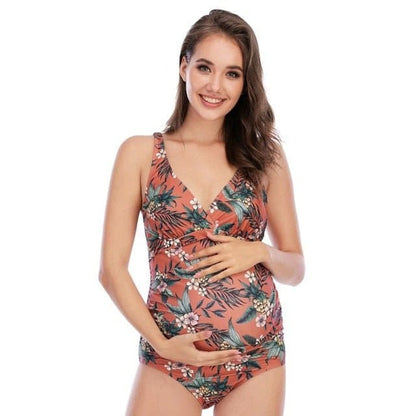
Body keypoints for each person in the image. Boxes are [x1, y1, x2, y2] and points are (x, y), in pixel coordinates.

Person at [99, 9, 304, 416]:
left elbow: (296, 268)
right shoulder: (140, 154)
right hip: (170, 355)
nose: (215, 86)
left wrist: (260, 252)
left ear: (245, 82)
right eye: (205, 68)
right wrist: (161, 343)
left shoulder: (265, 157)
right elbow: (111, 270)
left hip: (256, 358)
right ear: (184, 67)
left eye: (232, 74)